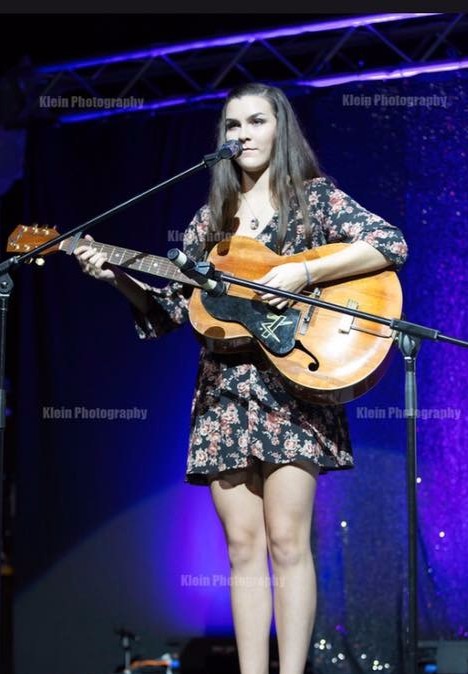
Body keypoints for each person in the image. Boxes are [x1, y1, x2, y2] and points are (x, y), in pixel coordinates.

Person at [75, 83, 408, 674]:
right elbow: (172, 312)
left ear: (281, 130)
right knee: (243, 547)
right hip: (224, 394)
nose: (243, 135)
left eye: (256, 121)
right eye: (233, 126)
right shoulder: (212, 220)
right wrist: (116, 277)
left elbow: (389, 244)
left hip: (295, 386)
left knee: (286, 539)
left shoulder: (315, 201)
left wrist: (301, 270)